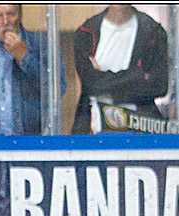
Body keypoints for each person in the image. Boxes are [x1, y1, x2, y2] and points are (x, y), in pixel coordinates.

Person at [0, 3, 66, 135]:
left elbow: (57, 88)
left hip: (32, 143)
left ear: (20, 15)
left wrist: (24, 57)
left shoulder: (41, 45)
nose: (5, 21)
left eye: (11, 14)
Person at [72, 4, 168, 134]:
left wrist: (104, 83)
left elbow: (159, 86)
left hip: (141, 131)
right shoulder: (86, 32)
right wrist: (137, 76)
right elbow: (90, 85)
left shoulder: (153, 32)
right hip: (93, 132)